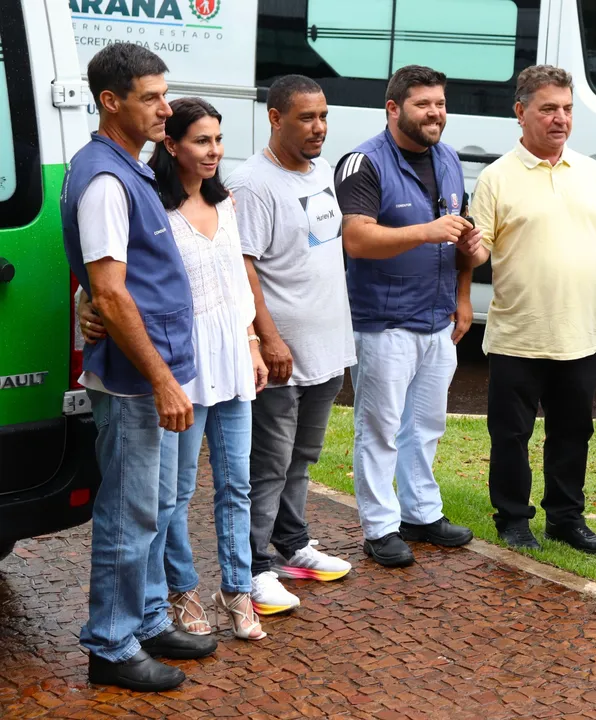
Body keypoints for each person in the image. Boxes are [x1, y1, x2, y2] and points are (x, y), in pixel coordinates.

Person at [80, 97, 271, 640]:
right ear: (172, 145)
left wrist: (253, 341)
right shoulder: (152, 206)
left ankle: (236, 588)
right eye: (201, 140)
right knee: (175, 491)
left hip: (232, 356)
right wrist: (85, 305)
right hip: (180, 363)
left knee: (237, 483)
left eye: (218, 139)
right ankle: (179, 589)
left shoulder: (226, 203)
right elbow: (110, 278)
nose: (214, 151)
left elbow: (238, 283)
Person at [468, 65, 596, 554]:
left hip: (580, 334)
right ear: (520, 113)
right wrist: (465, 245)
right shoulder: (496, 178)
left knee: (572, 434)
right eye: (548, 109)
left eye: (566, 109)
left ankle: (566, 518)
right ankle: (514, 520)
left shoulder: (588, 171)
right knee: (512, 437)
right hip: (518, 335)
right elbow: (480, 251)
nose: (560, 119)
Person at [60, 43, 216, 693]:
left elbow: (102, 285)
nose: (167, 106)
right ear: (110, 102)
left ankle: (148, 618)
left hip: (147, 375)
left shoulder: (128, 168)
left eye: (165, 92)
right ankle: (111, 644)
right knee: (128, 515)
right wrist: (159, 378)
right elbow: (113, 290)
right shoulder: (104, 178)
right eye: (152, 96)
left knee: (149, 508)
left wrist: (88, 301)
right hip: (131, 383)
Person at [335, 65, 482, 568]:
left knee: (426, 424)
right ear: (393, 108)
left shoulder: (447, 158)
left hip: (438, 318)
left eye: (440, 103)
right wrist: (425, 230)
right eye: (424, 104)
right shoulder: (363, 163)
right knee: (378, 426)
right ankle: (379, 527)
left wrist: (467, 283)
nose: (436, 113)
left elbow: (461, 234)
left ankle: (421, 513)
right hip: (383, 322)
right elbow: (356, 238)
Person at [227, 75, 356, 614]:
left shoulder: (322, 170)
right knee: (269, 463)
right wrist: (268, 338)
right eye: (306, 117)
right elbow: (242, 265)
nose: (319, 127)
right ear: (275, 118)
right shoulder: (252, 183)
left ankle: (294, 544)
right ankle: (253, 569)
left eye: (323, 116)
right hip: (283, 353)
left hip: (327, 344)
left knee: (303, 456)